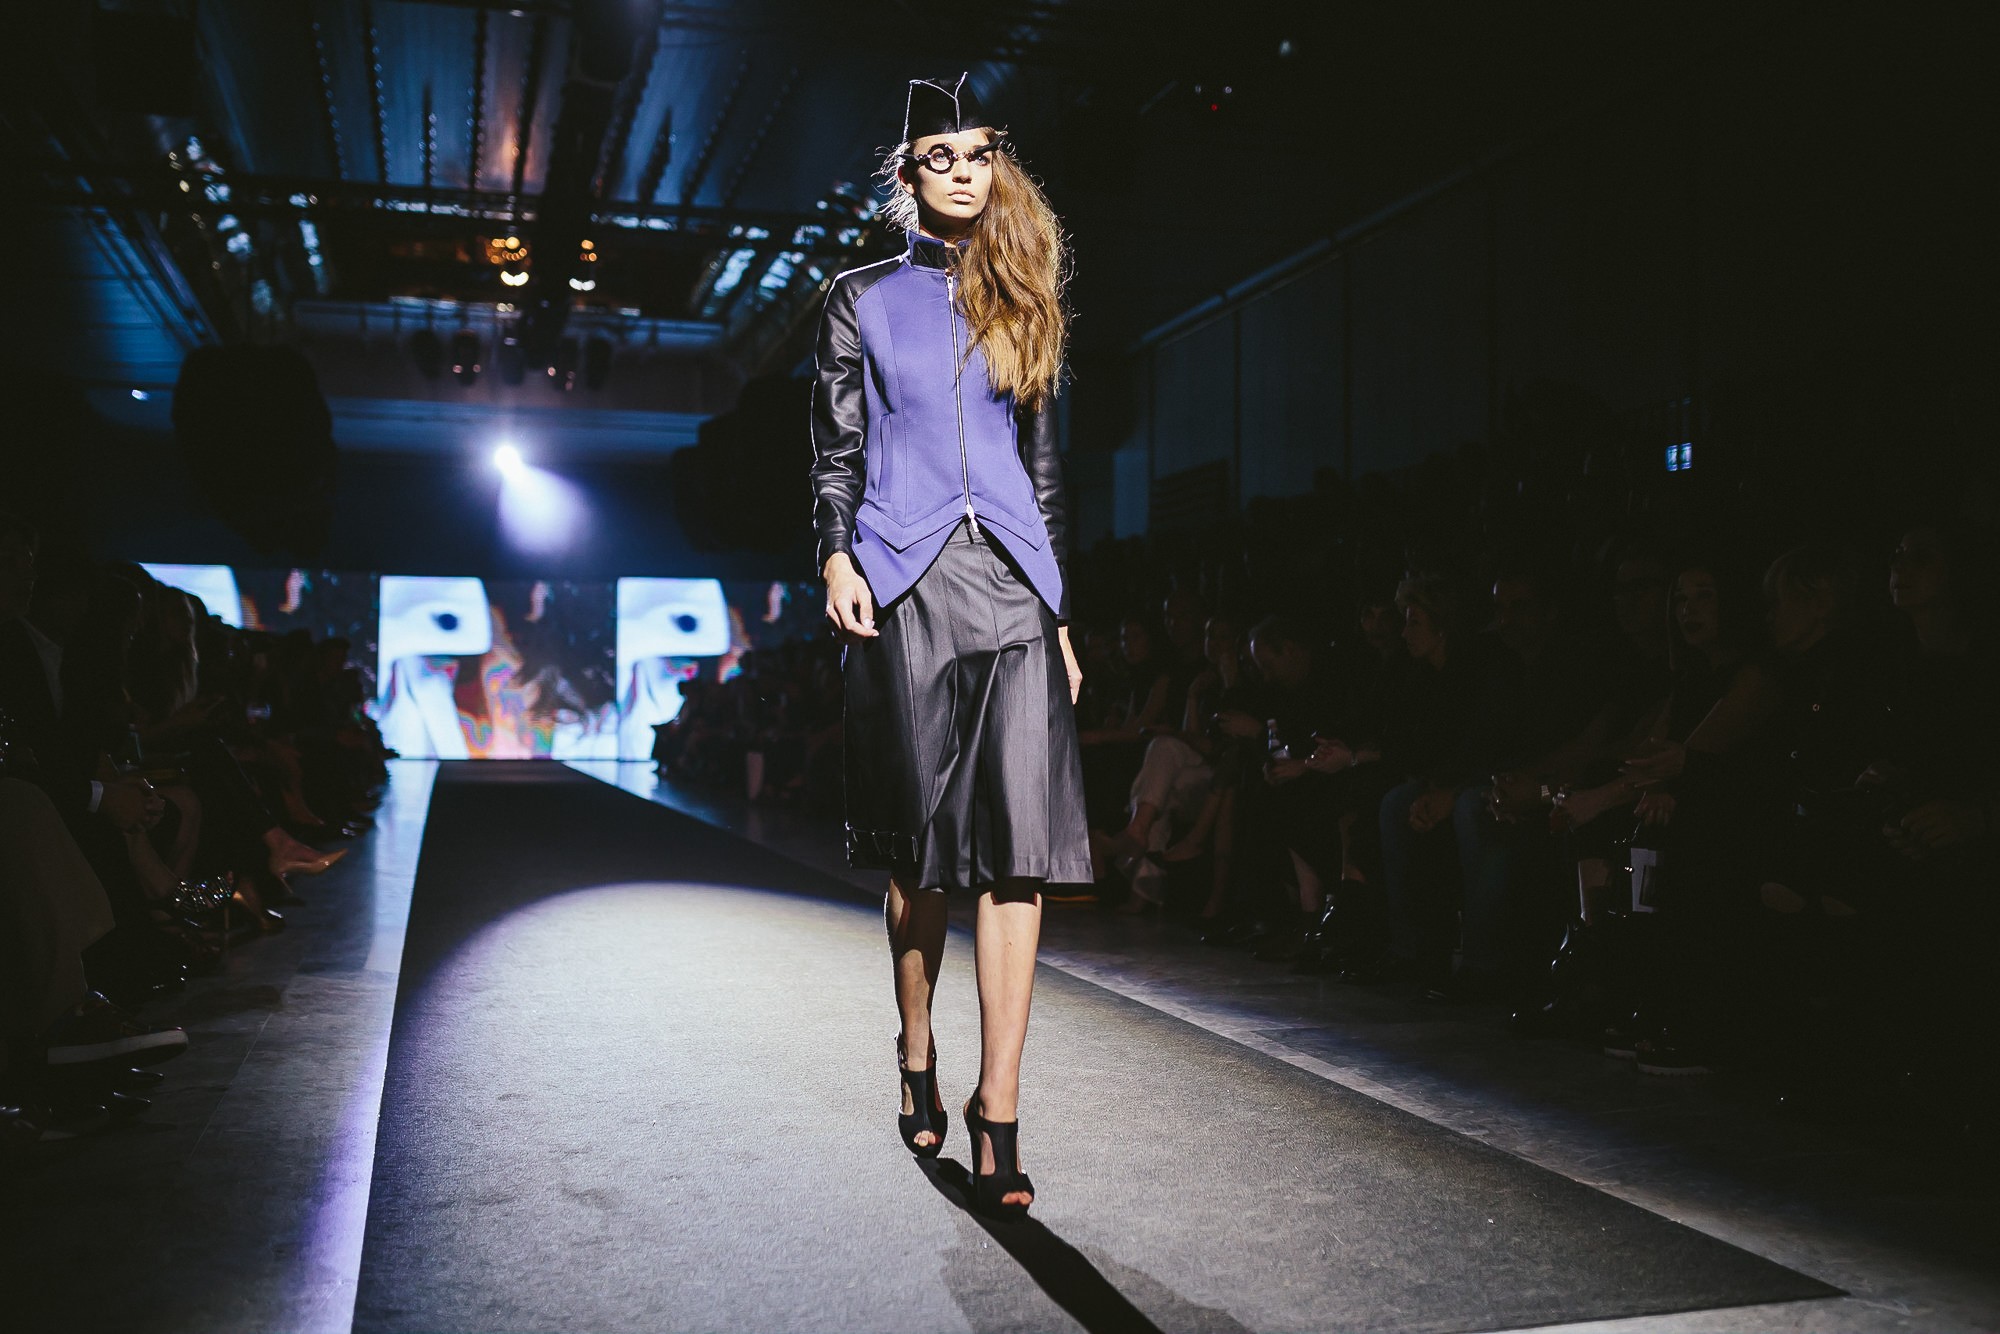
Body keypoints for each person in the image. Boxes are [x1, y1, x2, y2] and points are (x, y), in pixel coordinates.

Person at [809, 72, 1088, 1220]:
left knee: (1018, 857)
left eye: (979, 154)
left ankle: (998, 1108)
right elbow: (836, 444)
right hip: (904, 574)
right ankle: (916, 1044)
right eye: (941, 155)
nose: (964, 172)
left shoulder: (1022, 292)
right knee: (919, 863)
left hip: (1012, 584)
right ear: (908, 172)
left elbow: (1043, 469)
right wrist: (836, 556)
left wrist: (1058, 614)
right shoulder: (859, 297)